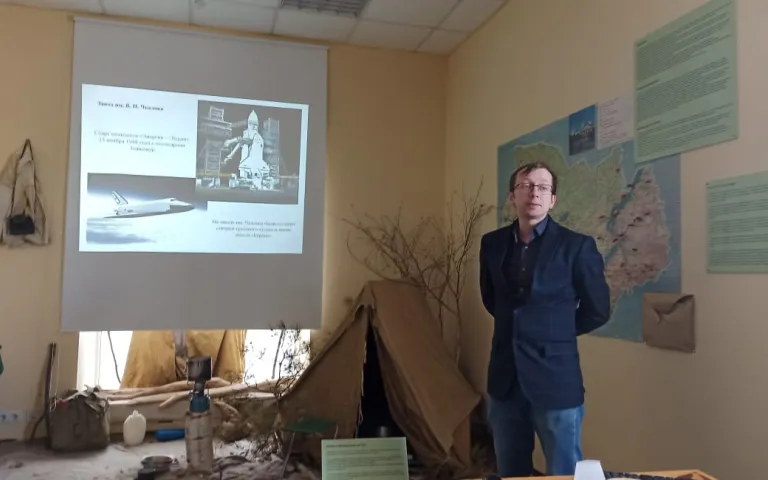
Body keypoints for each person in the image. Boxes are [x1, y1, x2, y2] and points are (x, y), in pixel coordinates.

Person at [479, 161, 610, 477]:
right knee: (510, 471)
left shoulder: (577, 247)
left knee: (564, 472)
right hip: (505, 380)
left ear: (552, 199)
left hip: (555, 379)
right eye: (525, 186)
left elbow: (598, 309)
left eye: (542, 187)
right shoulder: (492, 244)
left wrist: (555, 331)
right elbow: (492, 299)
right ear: (512, 196)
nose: (533, 193)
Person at [223, 110, 270, 188]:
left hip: (256, 162)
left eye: (255, 125)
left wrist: (231, 141)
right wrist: (230, 155)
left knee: (255, 177)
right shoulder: (249, 135)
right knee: (244, 172)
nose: (253, 127)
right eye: (251, 124)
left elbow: (245, 140)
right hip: (249, 161)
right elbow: (241, 143)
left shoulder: (257, 136)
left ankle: (256, 182)